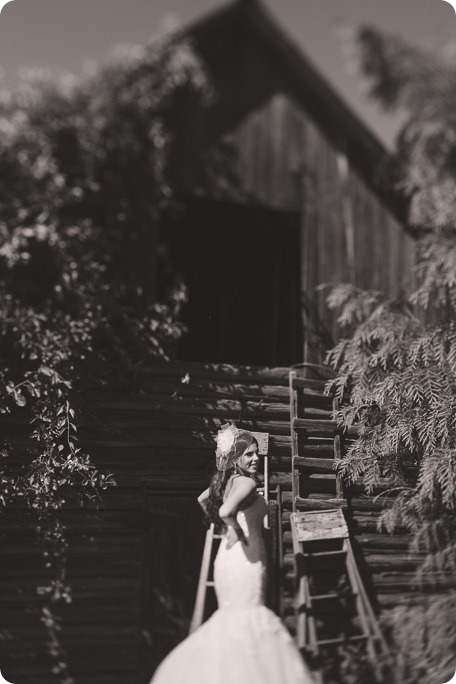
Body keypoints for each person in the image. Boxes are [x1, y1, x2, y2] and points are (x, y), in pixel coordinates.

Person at [151, 422, 314, 684]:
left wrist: (220, 525)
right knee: (249, 619)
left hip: (227, 560)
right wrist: (234, 528)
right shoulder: (247, 484)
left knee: (232, 622)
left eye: (256, 453)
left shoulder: (226, 482)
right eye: (249, 453)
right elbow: (226, 512)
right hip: (245, 560)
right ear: (236, 458)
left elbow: (203, 500)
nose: (256, 458)